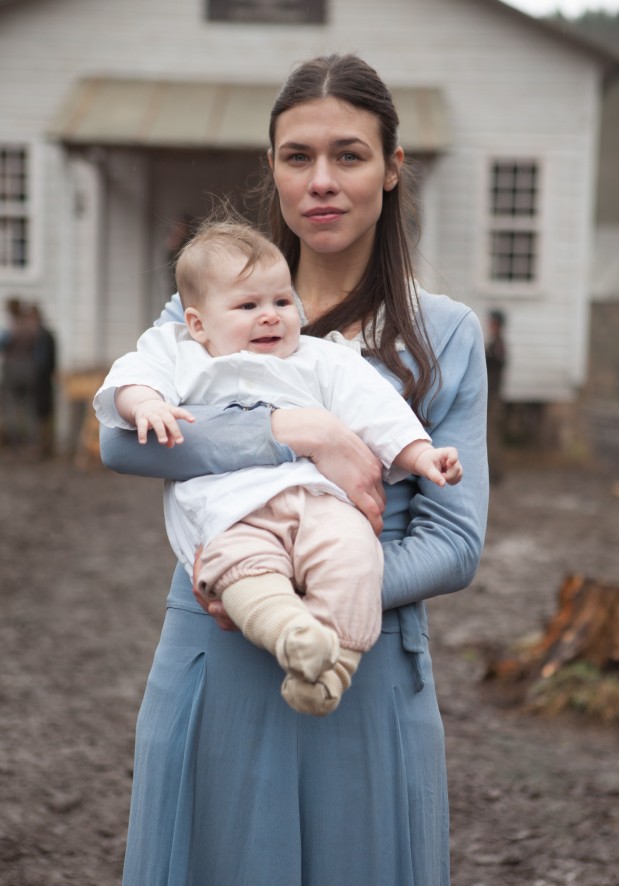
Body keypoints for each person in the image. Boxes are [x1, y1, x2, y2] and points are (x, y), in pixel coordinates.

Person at [100, 53, 488, 886]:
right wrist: (298, 428)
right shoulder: (206, 309)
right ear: (271, 167)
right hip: (214, 646)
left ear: (393, 167)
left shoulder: (445, 336)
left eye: (349, 155)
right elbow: (123, 440)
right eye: (296, 156)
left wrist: (311, 604)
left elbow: (455, 543)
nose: (321, 181)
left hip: (364, 663)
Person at [94, 218, 463, 716]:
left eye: (282, 303)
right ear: (199, 323)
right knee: (244, 568)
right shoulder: (179, 349)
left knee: (356, 555)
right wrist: (144, 405)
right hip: (230, 508)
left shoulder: (320, 359)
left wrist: (421, 454)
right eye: (248, 306)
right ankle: (292, 633)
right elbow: (133, 377)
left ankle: (335, 664)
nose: (270, 317)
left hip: (318, 501)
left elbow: (378, 410)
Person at [0, 298, 56, 457]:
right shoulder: (32, 329)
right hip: (30, 371)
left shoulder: (11, 329)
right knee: (30, 408)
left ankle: (15, 444)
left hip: (12, 370)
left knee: (10, 407)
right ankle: (32, 443)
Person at [485, 308, 508, 483]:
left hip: (493, 398)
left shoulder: (498, 345)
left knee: (492, 436)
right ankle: (494, 472)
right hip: (492, 397)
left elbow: (494, 361)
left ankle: (495, 474)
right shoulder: (495, 344)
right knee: (490, 435)